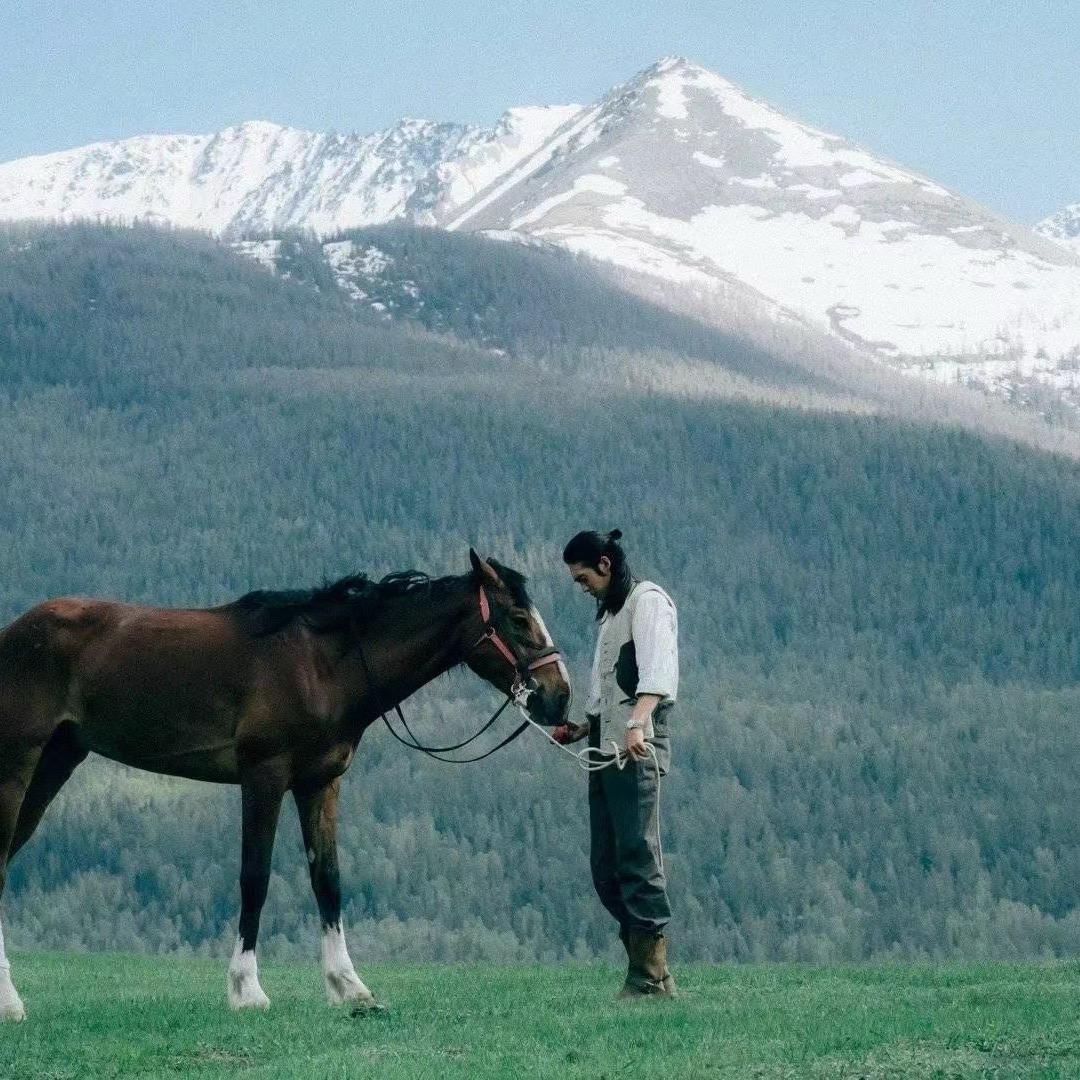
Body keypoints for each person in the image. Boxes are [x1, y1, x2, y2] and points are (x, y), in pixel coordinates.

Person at [556, 529, 678, 998]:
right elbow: (607, 689)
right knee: (606, 866)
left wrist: (636, 725)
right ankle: (652, 972)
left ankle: (647, 977)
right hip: (606, 752)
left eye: (583, 576)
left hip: (636, 750)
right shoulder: (610, 617)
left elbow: (658, 673)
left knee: (637, 857)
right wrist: (582, 728)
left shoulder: (648, 603)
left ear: (605, 565)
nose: (581, 585)